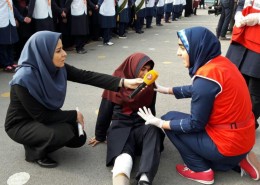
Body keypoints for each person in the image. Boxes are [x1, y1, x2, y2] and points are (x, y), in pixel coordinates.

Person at [137, 26, 260, 184]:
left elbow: (195, 124)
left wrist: (160, 123)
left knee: (170, 120)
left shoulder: (206, 78)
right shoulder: (221, 63)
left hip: (228, 142)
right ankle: (238, 159)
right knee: (183, 123)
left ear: (198, 47)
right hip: (245, 136)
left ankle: (200, 170)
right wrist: (166, 90)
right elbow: (201, 90)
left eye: (182, 47)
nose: (178, 53)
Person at [4, 31, 144, 168]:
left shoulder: (55, 67)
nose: (64, 54)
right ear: (43, 53)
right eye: (58, 51)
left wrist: (124, 82)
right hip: (21, 124)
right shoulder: (22, 80)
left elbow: (86, 76)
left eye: (63, 48)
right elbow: (42, 115)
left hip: (42, 116)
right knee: (61, 134)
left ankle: (39, 137)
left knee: (78, 137)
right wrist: (74, 115)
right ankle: (34, 152)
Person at [88, 53, 165, 185]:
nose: (145, 73)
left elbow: (151, 109)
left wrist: (153, 123)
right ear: (133, 67)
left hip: (142, 124)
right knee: (123, 160)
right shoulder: (115, 82)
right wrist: (100, 136)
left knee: (154, 130)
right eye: (142, 69)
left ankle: (145, 180)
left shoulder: (149, 84)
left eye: (149, 69)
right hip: (120, 125)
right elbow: (105, 111)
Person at [226, 0, 260, 129]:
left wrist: (258, 17)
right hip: (242, 36)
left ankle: (248, 123)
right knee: (235, 82)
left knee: (255, 89)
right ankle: (235, 118)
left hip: (257, 43)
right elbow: (241, 3)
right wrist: (238, 13)